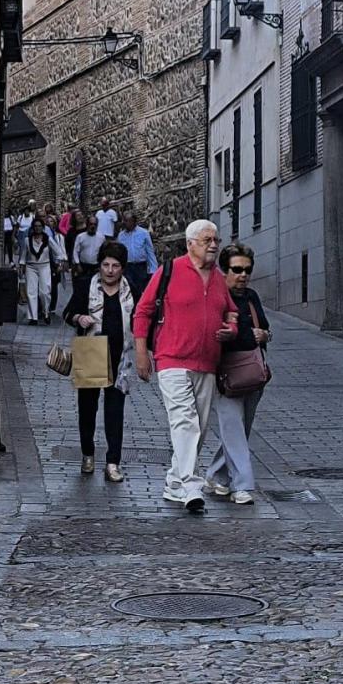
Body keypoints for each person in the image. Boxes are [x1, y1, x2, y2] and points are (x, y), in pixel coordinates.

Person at [132, 219, 237, 513]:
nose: (214, 245)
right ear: (190, 244)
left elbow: (231, 311)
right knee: (184, 421)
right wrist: (142, 353)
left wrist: (230, 327)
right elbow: (142, 312)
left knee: (199, 428)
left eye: (216, 240)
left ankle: (174, 482)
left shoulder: (218, 278)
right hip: (171, 358)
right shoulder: (170, 271)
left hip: (207, 362)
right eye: (207, 240)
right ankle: (191, 484)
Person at [209, 243, 269, 506]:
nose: (243, 275)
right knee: (233, 428)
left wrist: (265, 334)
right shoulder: (215, 296)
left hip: (253, 373)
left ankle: (216, 475)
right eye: (237, 269)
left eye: (247, 270)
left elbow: (265, 328)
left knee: (240, 431)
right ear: (224, 270)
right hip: (225, 374)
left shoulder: (252, 297)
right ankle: (242, 486)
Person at [73, 242, 134, 482]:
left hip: (120, 358)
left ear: (122, 268)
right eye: (105, 265)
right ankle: (87, 453)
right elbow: (70, 313)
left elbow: (141, 320)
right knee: (88, 408)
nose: (109, 270)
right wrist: (80, 318)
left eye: (115, 266)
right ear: (99, 265)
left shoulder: (132, 290)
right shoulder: (85, 286)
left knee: (115, 411)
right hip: (91, 351)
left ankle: (112, 462)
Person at [20, 218, 61, 325]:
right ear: (33, 228)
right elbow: (24, 254)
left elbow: (58, 251)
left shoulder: (48, 239)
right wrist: (22, 265)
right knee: (31, 292)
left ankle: (46, 312)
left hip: (44, 266)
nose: (37, 228)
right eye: (36, 226)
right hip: (31, 266)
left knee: (44, 292)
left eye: (39, 226)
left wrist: (59, 263)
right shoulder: (27, 240)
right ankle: (33, 317)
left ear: (43, 228)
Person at [116, 211, 159, 297]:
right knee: (129, 291)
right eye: (124, 220)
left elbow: (150, 252)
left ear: (133, 221)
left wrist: (154, 270)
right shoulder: (121, 236)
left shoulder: (143, 233)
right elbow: (119, 254)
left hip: (140, 267)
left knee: (141, 290)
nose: (125, 223)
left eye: (127, 221)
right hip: (128, 267)